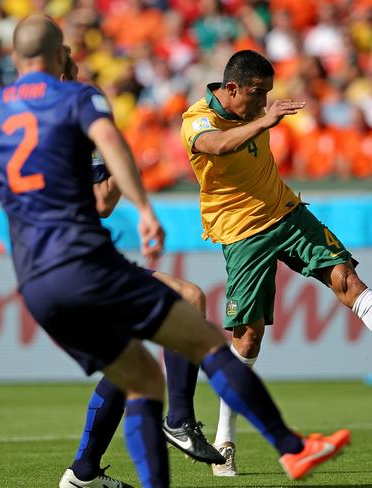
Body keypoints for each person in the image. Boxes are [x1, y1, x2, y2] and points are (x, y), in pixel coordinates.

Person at [0, 16, 350, 488]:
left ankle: (83, 475)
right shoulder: (78, 99)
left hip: (35, 283)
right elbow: (105, 193)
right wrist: (143, 208)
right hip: (84, 261)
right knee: (192, 313)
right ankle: (286, 447)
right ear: (58, 55)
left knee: (140, 376)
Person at [180, 49, 372, 477]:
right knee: (248, 338)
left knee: (347, 279)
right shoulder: (197, 119)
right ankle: (225, 439)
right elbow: (216, 147)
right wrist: (264, 121)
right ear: (231, 88)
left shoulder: (254, 108)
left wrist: (261, 118)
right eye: (257, 94)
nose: (263, 102)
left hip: (287, 213)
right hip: (241, 234)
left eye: (268, 95)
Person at [57, 51, 224, 488]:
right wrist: (130, 166)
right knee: (184, 303)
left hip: (90, 262)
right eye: (67, 64)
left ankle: (83, 474)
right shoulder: (62, 130)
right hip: (73, 267)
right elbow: (97, 203)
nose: (75, 71)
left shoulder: (69, 124)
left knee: (135, 355)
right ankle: (179, 420)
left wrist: (128, 164)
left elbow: (101, 201)